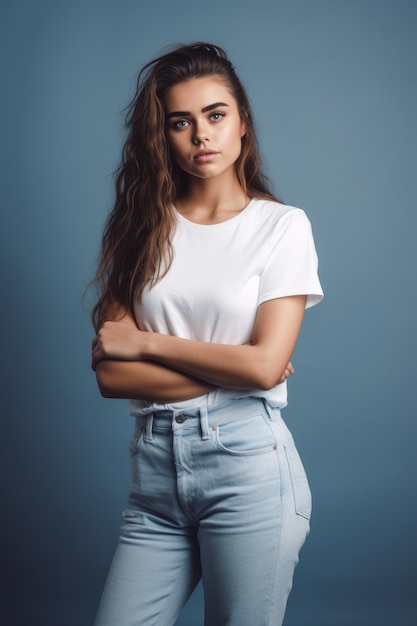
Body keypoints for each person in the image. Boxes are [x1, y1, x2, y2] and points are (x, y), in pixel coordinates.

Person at [91, 42, 323, 626]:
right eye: (181, 122)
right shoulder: (138, 228)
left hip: (247, 468)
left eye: (216, 115)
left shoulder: (282, 227)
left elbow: (263, 370)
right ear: (162, 136)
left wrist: (146, 342)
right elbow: (111, 376)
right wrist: (234, 365)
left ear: (242, 120)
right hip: (153, 473)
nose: (202, 135)